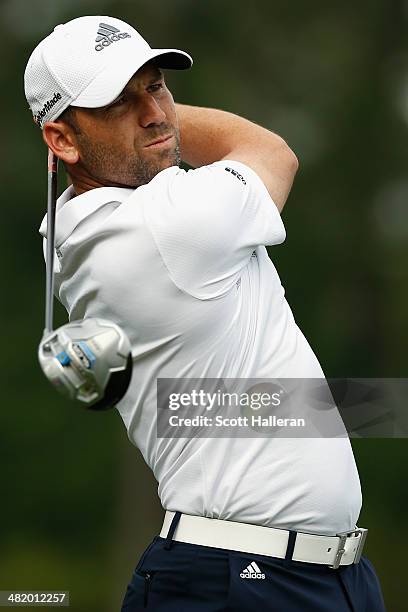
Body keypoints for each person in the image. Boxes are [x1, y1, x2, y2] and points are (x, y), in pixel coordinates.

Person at [24, 15, 386, 612]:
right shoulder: (167, 222)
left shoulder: (79, 222)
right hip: (241, 580)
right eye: (118, 101)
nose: (155, 111)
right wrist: (159, 121)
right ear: (61, 140)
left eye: (157, 85)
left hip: (311, 577)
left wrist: (134, 119)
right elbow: (275, 152)